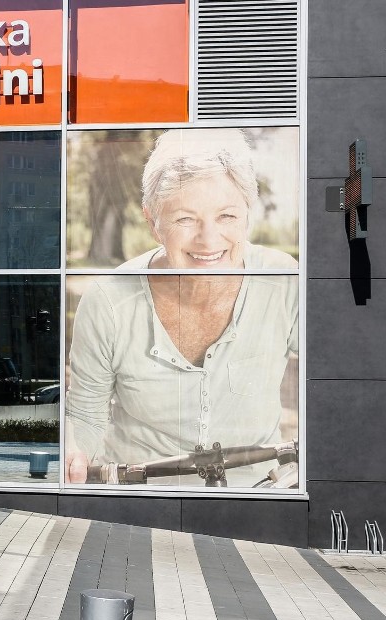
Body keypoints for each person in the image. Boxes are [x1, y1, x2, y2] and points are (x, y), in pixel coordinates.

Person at [65, 128, 299, 486]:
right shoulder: (108, 300)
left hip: (256, 495)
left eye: (227, 217)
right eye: (185, 219)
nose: (208, 240)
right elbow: (85, 415)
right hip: (140, 502)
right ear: (153, 221)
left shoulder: (285, 282)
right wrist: (75, 454)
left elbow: (332, 384)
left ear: (248, 214)